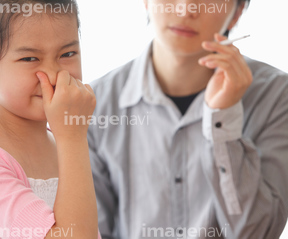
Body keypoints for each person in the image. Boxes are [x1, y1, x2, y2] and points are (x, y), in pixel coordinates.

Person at [88, 0, 288, 238]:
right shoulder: (93, 104)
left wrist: (223, 120)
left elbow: (258, 233)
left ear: (237, 12)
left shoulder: (276, 95)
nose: (186, 10)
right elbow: (90, 231)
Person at [0, 0, 101, 238]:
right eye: (30, 59)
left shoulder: (65, 143)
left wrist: (71, 139)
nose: (54, 75)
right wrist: (73, 138)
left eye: (68, 53)